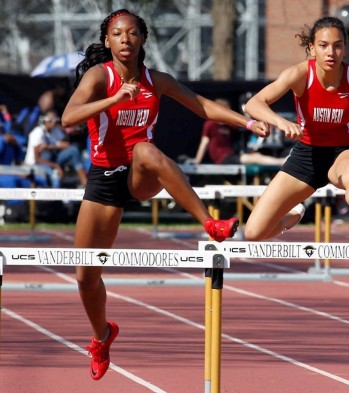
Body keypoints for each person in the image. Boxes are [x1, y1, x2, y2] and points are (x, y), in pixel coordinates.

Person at [60, 9, 269, 381]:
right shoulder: (98, 76)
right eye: (117, 34)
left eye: (132, 33)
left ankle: (209, 222)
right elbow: (68, 118)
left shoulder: (157, 80)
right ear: (107, 41)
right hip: (105, 178)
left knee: (146, 150)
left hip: (141, 174)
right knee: (85, 276)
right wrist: (113, 99)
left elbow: (201, 105)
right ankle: (101, 336)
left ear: (142, 40)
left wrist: (247, 121)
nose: (125, 39)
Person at [241, 16, 349, 241]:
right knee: (252, 233)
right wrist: (281, 122)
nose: (331, 53)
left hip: (345, 151)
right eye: (323, 46)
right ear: (312, 49)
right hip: (308, 154)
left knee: (348, 173)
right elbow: (253, 104)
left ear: (345, 49)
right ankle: (292, 215)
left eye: (338, 46)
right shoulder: (299, 75)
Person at [193, 99, 286, 166]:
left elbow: (243, 126)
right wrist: (197, 161)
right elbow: (204, 143)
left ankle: (279, 162)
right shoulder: (210, 124)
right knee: (252, 158)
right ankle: (281, 162)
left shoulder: (228, 125)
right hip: (221, 157)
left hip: (231, 154)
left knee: (256, 155)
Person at [24, 109, 88, 188]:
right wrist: (56, 166)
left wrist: (50, 146)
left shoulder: (54, 130)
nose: (54, 122)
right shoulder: (38, 133)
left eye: (55, 119)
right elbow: (37, 159)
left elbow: (67, 145)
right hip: (37, 163)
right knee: (54, 175)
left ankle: (84, 182)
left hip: (50, 160)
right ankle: (55, 197)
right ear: (45, 120)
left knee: (73, 150)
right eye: (51, 120)